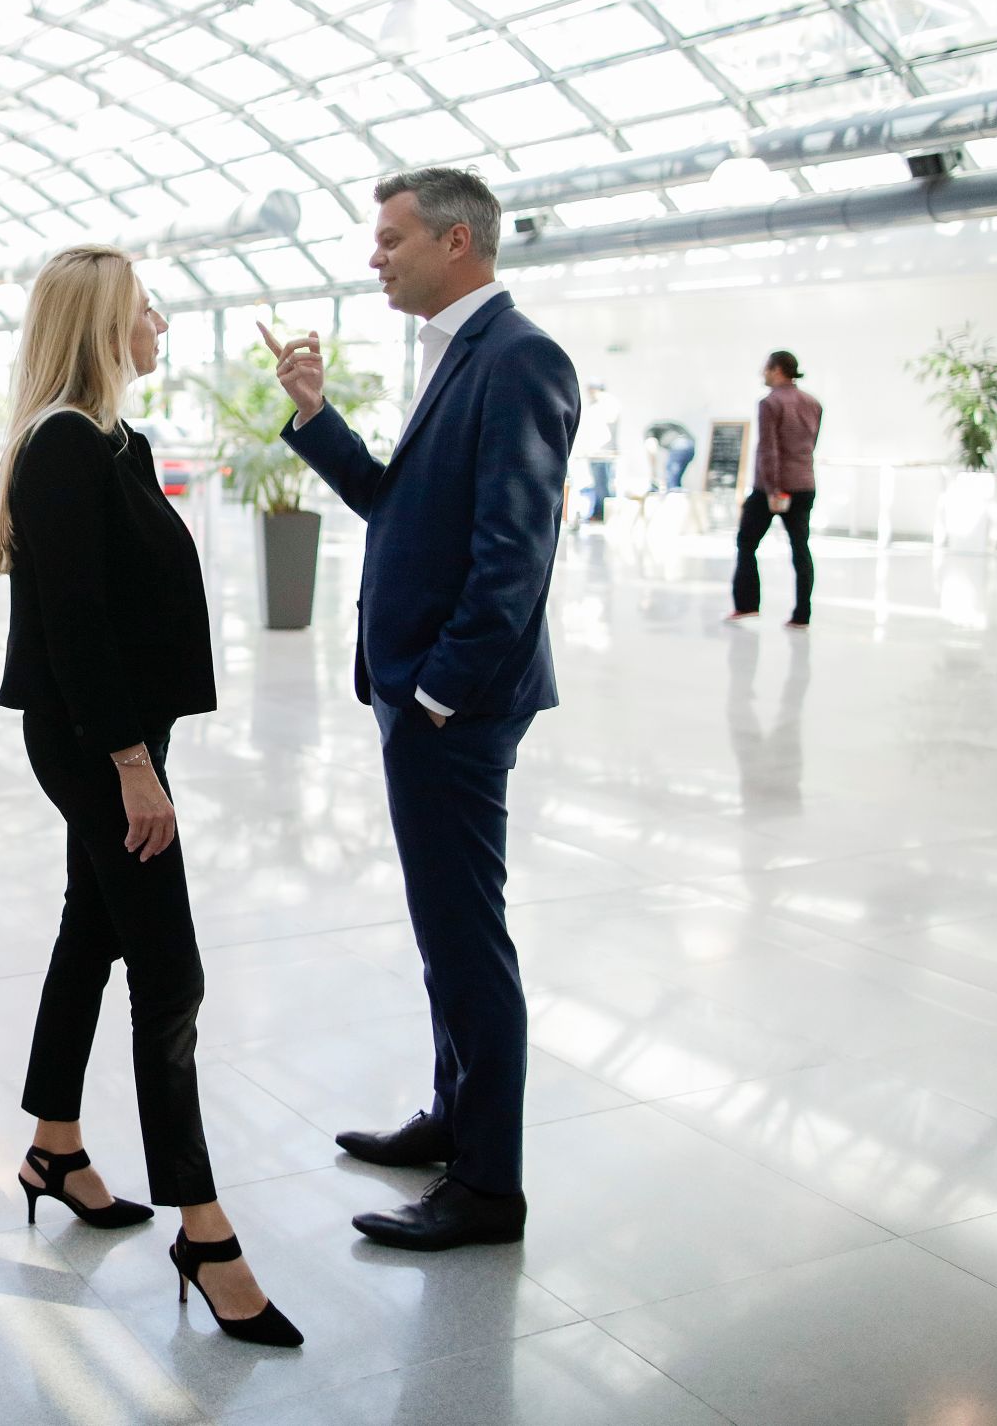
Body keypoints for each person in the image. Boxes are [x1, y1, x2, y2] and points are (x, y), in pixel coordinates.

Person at [0, 245, 301, 1349]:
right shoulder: (62, 445)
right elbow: (73, 625)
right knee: (170, 972)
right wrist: (129, 763)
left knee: (94, 931)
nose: (160, 322)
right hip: (93, 741)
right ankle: (204, 1232)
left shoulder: (119, 440)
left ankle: (54, 1145)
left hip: (124, 733)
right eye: (146, 308)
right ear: (103, 326)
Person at [262, 166, 579, 1252]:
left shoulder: (520, 357)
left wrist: (441, 689)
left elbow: (514, 549)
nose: (375, 256)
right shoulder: (458, 354)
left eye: (391, 238)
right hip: (422, 695)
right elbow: (397, 505)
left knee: (466, 937)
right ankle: (453, 1117)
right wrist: (314, 415)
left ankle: (487, 1186)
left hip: (454, 704)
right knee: (444, 929)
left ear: (456, 242)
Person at [729, 350, 821, 629]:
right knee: (800, 548)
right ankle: (802, 614)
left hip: (774, 487)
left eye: (766, 369)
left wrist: (773, 490)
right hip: (804, 483)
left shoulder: (770, 403)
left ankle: (746, 605)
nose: (763, 374)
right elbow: (811, 443)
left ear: (777, 369)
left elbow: (769, 449)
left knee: (746, 542)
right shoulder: (813, 403)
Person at [577, 379, 620, 522]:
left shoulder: (607, 402)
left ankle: (605, 515)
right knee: (598, 485)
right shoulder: (594, 405)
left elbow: (608, 425)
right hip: (595, 453)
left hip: (603, 453)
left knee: (604, 485)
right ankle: (598, 512)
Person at [645, 418, 697, 491]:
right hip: (690, 447)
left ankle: (673, 494)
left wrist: (653, 475)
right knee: (676, 478)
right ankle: (676, 492)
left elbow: (651, 450)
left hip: (679, 445)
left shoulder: (650, 431)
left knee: (671, 480)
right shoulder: (669, 427)